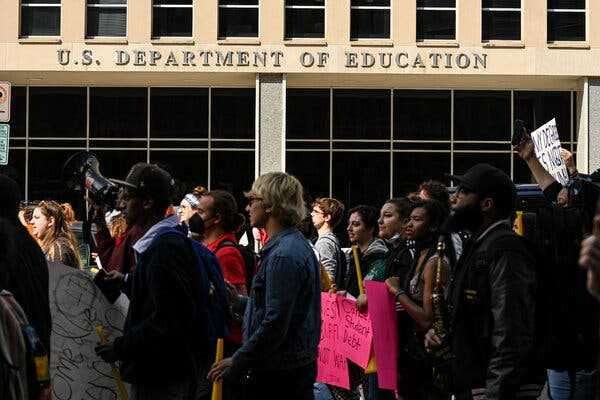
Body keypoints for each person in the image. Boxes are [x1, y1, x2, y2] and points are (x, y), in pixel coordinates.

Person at [94, 163, 212, 400]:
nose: (120, 204)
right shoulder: (164, 243)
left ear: (147, 203)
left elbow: (168, 318)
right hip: (164, 373)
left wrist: (121, 347)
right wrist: (126, 281)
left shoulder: (164, 248)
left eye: (128, 198)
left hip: (162, 376)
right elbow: (163, 294)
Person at [425, 163, 542, 400]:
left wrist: (496, 393)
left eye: (464, 191)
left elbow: (511, 330)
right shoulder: (478, 245)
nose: (454, 197)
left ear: (486, 204)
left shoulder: (505, 248)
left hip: (494, 389)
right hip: (475, 384)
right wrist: (442, 336)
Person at [208, 172, 321, 400]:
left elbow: (276, 322)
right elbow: (277, 310)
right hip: (285, 371)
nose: (248, 208)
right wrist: (238, 302)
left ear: (269, 205)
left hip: (278, 377)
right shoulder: (290, 247)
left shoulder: (284, 255)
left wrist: (238, 359)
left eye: (252, 201)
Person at [515, 138, 599, 399]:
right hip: (560, 346)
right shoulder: (560, 236)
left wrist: (573, 173)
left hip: (585, 350)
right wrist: (530, 158)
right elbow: (556, 193)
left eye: (569, 195)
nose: (560, 199)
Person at [385, 200, 449, 400]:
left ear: (433, 226)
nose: (409, 225)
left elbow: (427, 319)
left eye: (417, 220)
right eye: (409, 219)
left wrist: (397, 292)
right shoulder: (417, 255)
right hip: (410, 353)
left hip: (427, 357)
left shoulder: (435, 262)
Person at [0, 175, 51, 400]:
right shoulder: (30, 245)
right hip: (31, 367)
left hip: (11, 366)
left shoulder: (6, 242)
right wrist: (43, 379)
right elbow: (36, 328)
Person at [198, 190, 248, 295]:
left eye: (200, 212)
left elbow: (236, 299)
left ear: (217, 218)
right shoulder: (206, 245)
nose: (195, 217)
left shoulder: (226, 254)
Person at [345, 205, 388, 298]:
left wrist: (347, 296)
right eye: (349, 224)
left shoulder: (379, 257)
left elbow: (369, 296)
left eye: (356, 224)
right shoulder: (354, 254)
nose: (349, 228)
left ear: (370, 229)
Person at [30, 200, 80, 269]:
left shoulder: (58, 248)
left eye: (37, 217)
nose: (31, 221)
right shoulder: (49, 245)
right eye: (32, 218)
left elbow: (55, 277)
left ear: (50, 221)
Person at [311, 197, 346, 287]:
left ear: (327, 217)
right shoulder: (330, 240)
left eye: (315, 211)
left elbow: (328, 280)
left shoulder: (324, 243)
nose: (312, 214)